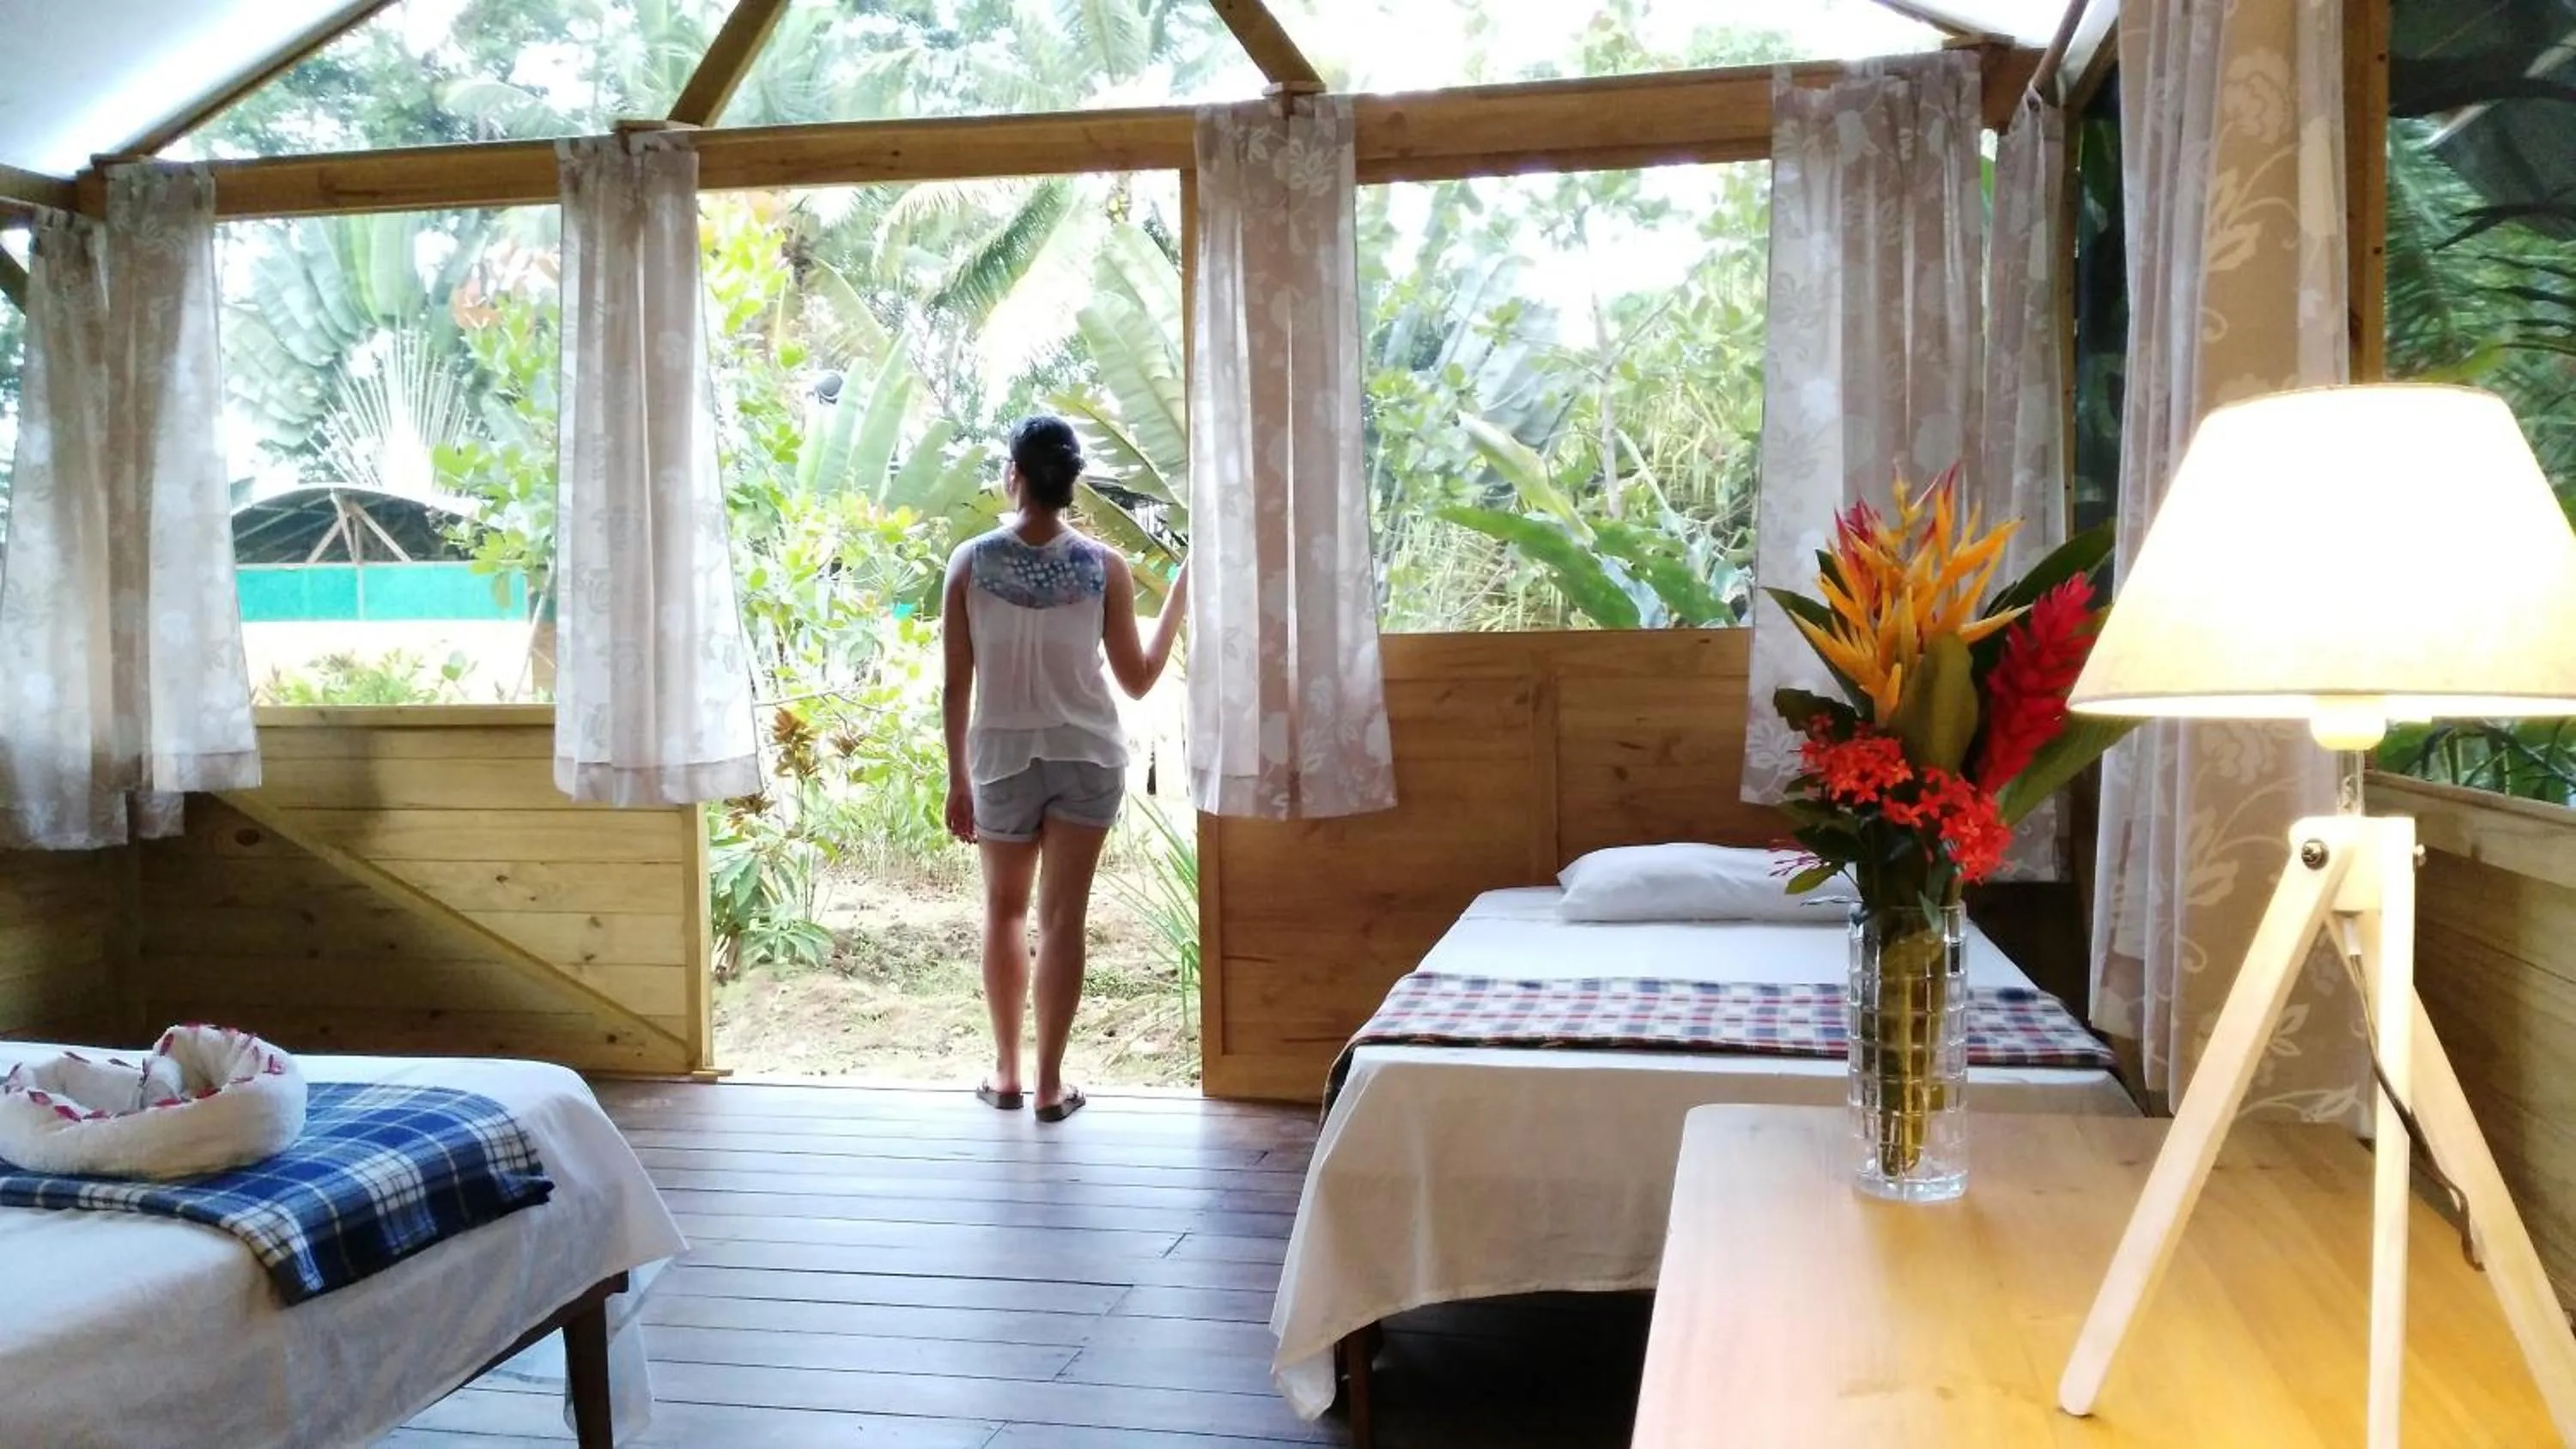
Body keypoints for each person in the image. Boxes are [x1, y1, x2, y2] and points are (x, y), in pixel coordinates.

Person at [941, 415, 1188, 1124]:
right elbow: (1137, 680)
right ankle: (1051, 1086)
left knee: (1005, 912)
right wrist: (1177, 599)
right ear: (1070, 482)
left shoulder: (971, 561)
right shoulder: (1102, 567)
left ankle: (1008, 1075)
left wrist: (958, 777)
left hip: (1000, 759)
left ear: (1012, 475)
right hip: (1087, 755)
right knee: (1062, 918)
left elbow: (957, 685)